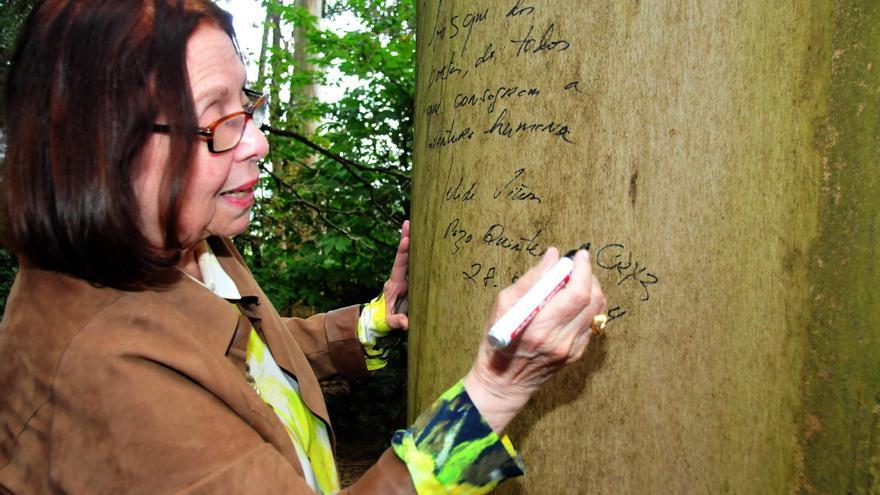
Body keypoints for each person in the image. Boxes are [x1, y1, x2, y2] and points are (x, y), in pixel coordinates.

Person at [0, 1, 606, 493]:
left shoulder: (186, 240)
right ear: (102, 148)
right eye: (217, 120)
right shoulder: (109, 381)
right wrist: (496, 391)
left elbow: (250, 360)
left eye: (247, 103)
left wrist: (372, 322)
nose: (257, 143)